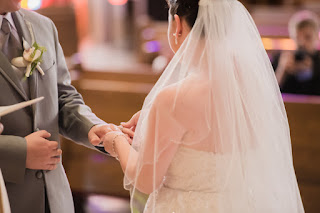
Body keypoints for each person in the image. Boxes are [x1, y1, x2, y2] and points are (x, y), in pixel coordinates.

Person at [97, 0, 305, 212]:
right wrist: (153, 119)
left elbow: (145, 180)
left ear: (177, 25)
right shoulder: (250, 86)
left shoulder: (172, 101)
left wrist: (116, 141)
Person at [0, 1, 118, 213]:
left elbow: (62, 95)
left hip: (54, 199)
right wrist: (16, 153)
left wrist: (91, 127)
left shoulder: (42, 26)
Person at [273, 10, 320, 95]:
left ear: (317, 36)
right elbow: (270, 94)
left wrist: (312, 71)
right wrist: (282, 70)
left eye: (308, 37)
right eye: (297, 37)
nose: (302, 42)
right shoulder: (281, 58)